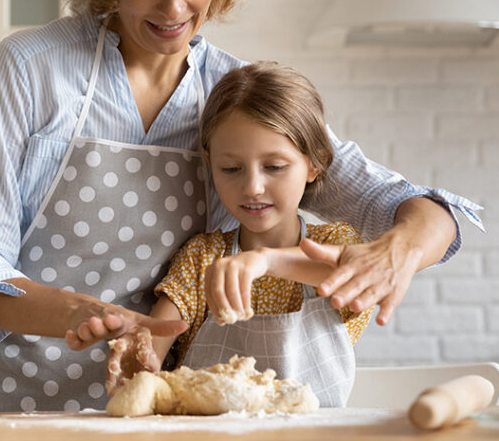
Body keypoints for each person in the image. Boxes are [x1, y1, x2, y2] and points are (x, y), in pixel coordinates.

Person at [0, 0, 483, 413]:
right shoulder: (33, 69)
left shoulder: (235, 97)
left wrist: (397, 251)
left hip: (162, 409)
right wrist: (86, 314)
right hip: (10, 397)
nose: (174, 6)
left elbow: (421, 208)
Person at [74, 62, 375, 407]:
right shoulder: (203, 258)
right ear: (209, 162)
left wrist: (265, 261)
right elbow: (153, 345)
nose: (252, 187)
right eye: (231, 168)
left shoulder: (336, 245)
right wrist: (137, 358)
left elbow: (356, 274)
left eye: (274, 167)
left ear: (315, 163)